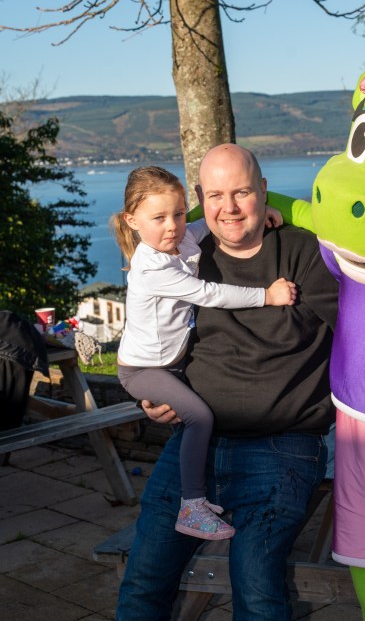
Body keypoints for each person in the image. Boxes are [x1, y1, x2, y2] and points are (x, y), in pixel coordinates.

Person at [94, 144, 338, 621]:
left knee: (256, 581)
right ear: (201, 199)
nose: (229, 208)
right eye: (215, 196)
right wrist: (153, 392)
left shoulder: (303, 252)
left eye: (243, 192)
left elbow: (356, 333)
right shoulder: (185, 250)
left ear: (264, 189)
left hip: (282, 446)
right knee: (145, 576)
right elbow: (155, 328)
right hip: (195, 445)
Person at [110, 165, 296, 541]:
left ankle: (197, 493)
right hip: (143, 369)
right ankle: (191, 507)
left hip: (169, 363)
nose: (173, 226)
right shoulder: (152, 268)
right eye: (158, 217)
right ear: (132, 220)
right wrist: (268, 295)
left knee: (193, 418)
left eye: (178, 214)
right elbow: (210, 293)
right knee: (200, 418)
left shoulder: (182, 240)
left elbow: (211, 221)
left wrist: (267, 210)